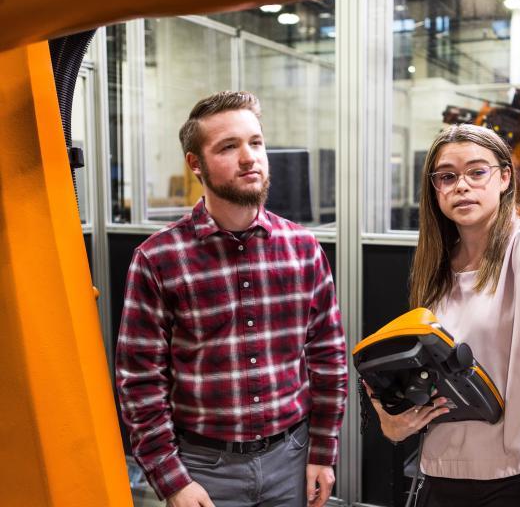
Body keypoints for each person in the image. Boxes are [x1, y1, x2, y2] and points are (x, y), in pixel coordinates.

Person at [367, 123, 520, 507]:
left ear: (504, 178)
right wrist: (392, 418)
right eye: (447, 176)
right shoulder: (435, 271)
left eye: (476, 171)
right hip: (446, 472)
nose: (461, 185)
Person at [116, 91, 347, 507]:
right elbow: (140, 382)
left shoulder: (304, 248)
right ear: (195, 164)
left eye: (255, 143)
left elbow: (328, 358)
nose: (249, 158)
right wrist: (172, 480)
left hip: (291, 459)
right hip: (204, 469)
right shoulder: (158, 259)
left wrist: (322, 452)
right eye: (228, 147)